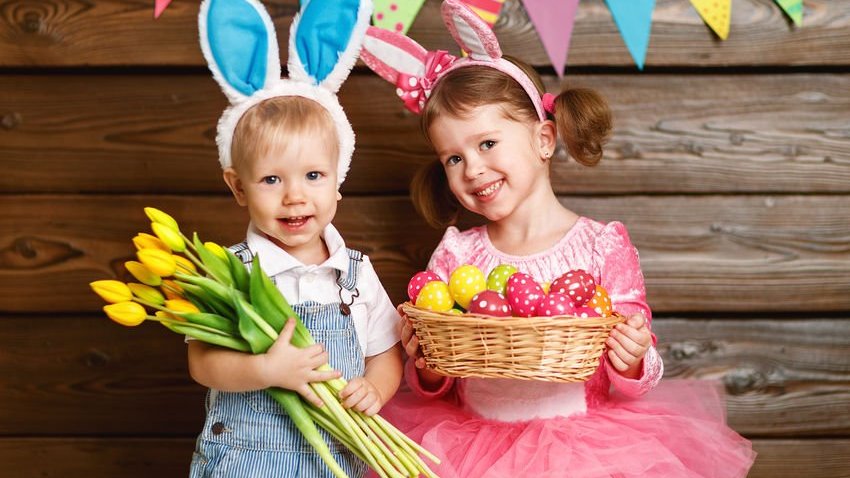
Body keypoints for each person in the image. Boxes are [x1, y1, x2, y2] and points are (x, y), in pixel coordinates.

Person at [359, 1, 756, 476]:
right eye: (453, 158)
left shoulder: (600, 245)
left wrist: (631, 360)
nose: (473, 168)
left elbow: (639, 369)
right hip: (471, 447)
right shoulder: (457, 254)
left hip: (583, 447)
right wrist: (427, 366)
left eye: (486, 143)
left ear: (544, 140)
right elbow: (436, 380)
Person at [188, 1, 402, 477]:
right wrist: (265, 371)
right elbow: (202, 362)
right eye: (271, 180)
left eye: (312, 175)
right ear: (238, 187)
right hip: (244, 463)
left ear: (337, 179)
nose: (294, 197)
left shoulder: (355, 273)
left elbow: (385, 351)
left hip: (334, 461)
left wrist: (376, 388)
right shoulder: (229, 270)